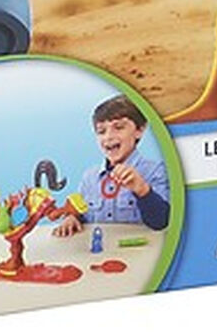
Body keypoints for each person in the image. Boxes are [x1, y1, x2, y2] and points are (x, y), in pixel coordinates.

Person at [54, 96, 170, 236]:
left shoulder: (157, 171)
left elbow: (161, 222)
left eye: (119, 127)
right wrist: (72, 218)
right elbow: (81, 212)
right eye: (101, 131)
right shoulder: (89, 177)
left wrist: (142, 190)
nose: (108, 136)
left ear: (139, 130)